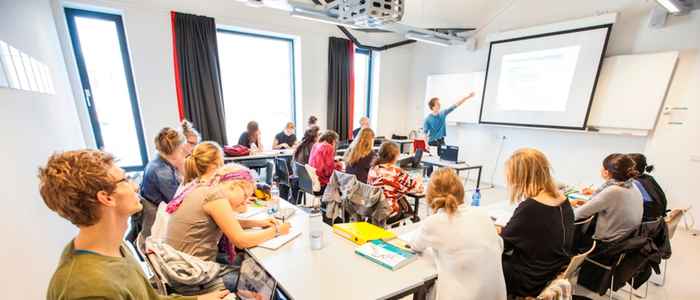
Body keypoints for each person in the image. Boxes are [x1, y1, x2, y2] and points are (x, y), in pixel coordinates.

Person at [40, 150, 228, 300]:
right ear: (106, 198)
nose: (136, 186)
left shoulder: (113, 246)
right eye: (125, 179)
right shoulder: (89, 289)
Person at [166, 163, 291, 292]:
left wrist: (259, 223)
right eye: (244, 195)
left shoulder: (204, 189)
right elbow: (240, 240)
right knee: (262, 285)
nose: (245, 201)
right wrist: (276, 231)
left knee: (247, 264)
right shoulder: (215, 196)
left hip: (179, 267)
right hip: (190, 276)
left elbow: (227, 221)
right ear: (233, 185)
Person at [409, 169, 506, 300]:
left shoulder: (434, 223)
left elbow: (414, 245)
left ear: (430, 196)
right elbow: (499, 245)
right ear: (461, 192)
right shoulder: (482, 214)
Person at [499, 148, 574, 297]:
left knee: (485, 260)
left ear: (522, 177)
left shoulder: (531, 207)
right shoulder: (562, 199)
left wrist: (496, 231)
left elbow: (503, 243)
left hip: (531, 279)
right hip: (551, 270)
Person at [130, 127, 187, 242]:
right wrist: (182, 168)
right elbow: (177, 202)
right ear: (175, 150)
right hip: (157, 220)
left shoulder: (158, 162)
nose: (184, 152)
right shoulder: (161, 172)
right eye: (182, 148)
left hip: (157, 214)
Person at [572, 154, 643, 243]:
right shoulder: (632, 185)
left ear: (606, 172)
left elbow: (577, 214)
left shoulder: (613, 191)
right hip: (626, 239)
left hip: (607, 244)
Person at [368, 142, 423, 222]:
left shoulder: (373, 169)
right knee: (401, 200)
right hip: (388, 213)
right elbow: (414, 186)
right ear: (395, 157)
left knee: (399, 197)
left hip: (371, 211)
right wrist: (419, 180)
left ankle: (412, 217)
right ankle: (414, 219)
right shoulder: (396, 171)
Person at [628, 153, 667, 221]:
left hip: (646, 221)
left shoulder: (633, 182)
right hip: (656, 219)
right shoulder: (648, 178)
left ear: (631, 168)